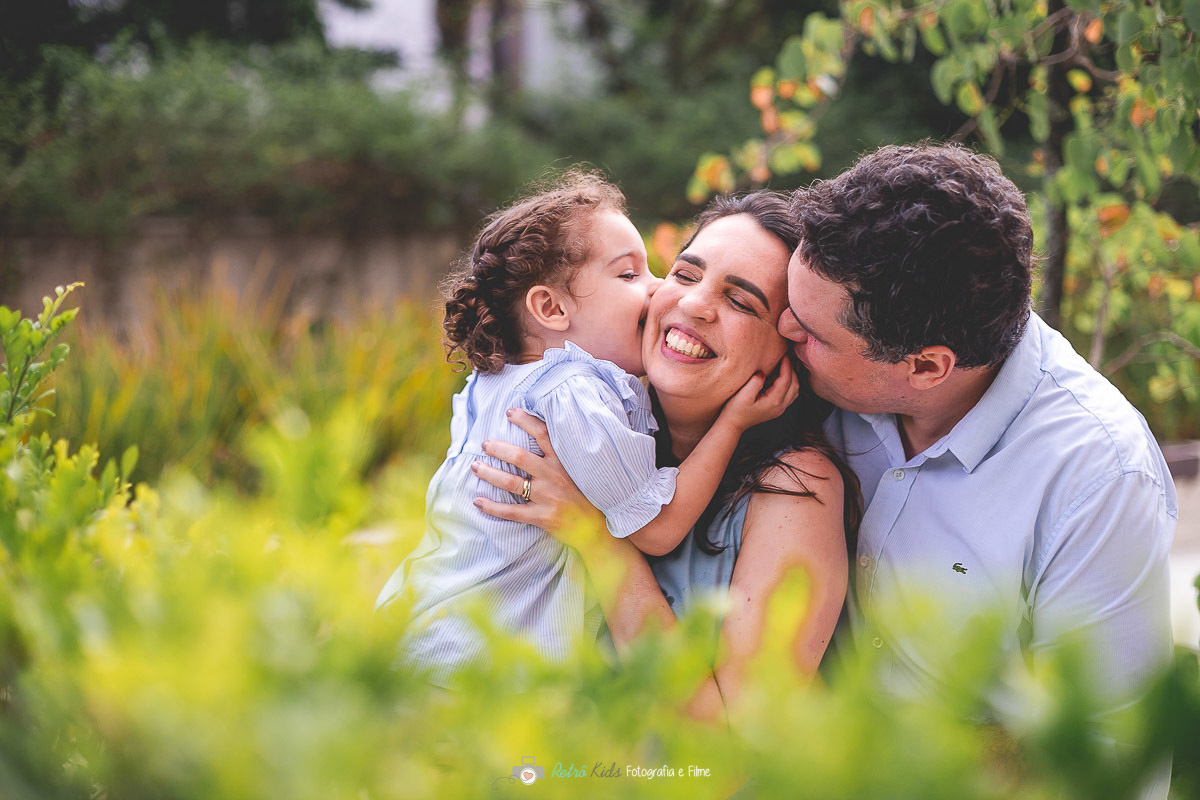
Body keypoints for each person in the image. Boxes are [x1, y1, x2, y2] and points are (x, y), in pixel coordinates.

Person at [779, 143, 1176, 743]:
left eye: (811, 333)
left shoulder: (1098, 476)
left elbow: (1101, 754)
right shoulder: (813, 380)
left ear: (926, 367)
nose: (783, 329)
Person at [375, 171, 797, 688]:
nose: (661, 290)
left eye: (741, 301)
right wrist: (732, 422)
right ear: (551, 308)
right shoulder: (574, 393)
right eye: (630, 276)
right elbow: (658, 529)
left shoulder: (501, 385)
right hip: (482, 671)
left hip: (433, 640)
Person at [472, 192, 858, 719]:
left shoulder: (796, 486)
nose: (695, 304)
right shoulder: (580, 427)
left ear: (786, 347)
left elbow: (734, 751)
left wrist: (599, 543)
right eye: (684, 274)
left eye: (742, 301)